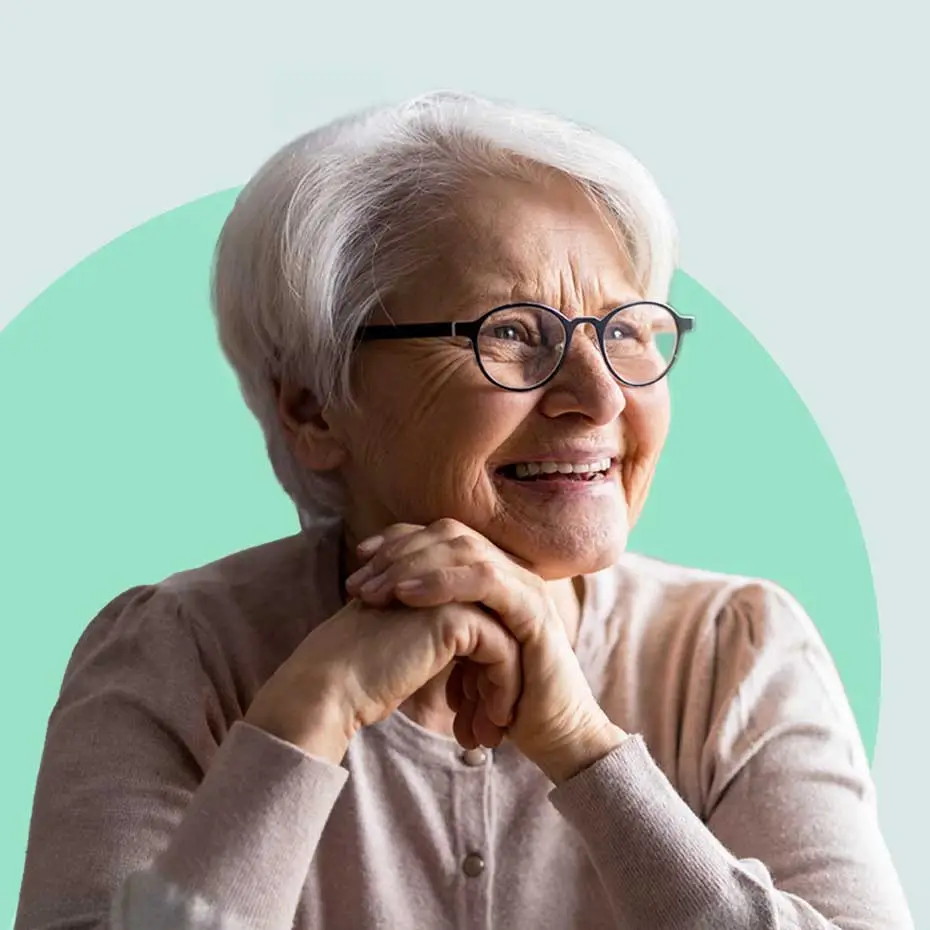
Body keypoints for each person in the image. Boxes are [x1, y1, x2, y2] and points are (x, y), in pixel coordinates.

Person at [14, 91, 912, 930]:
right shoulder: (175, 652)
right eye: (513, 333)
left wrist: (582, 747)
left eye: (626, 329)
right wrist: (306, 715)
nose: (599, 396)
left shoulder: (733, 649)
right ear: (312, 409)